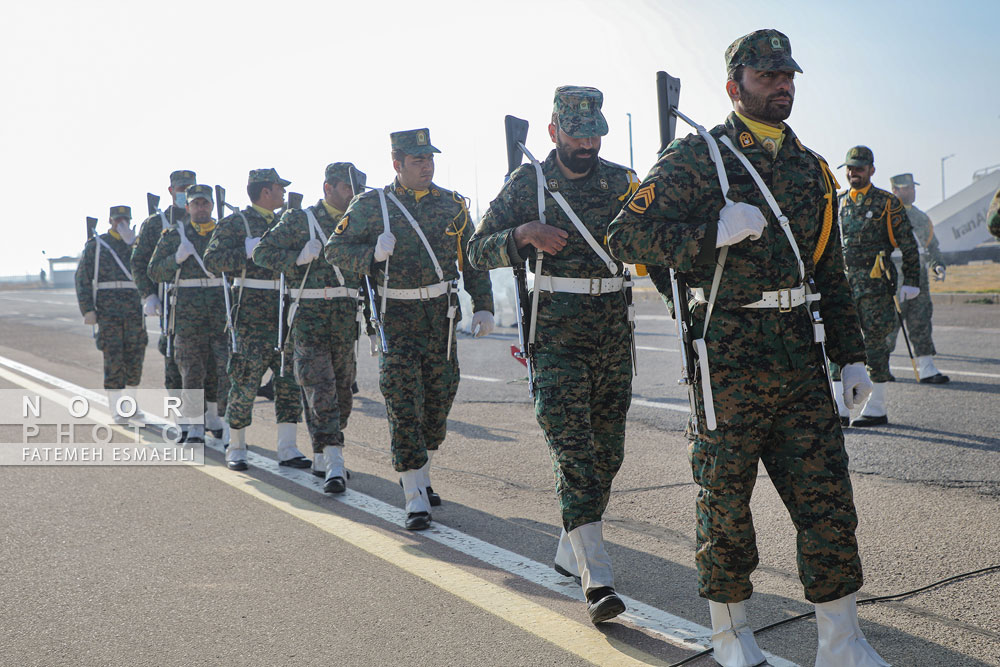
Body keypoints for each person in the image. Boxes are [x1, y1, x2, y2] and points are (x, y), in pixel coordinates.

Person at [607, 29, 889, 667]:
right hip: (725, 357)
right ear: (735, 87)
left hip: (798, 356)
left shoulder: (812, 168)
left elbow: (831, 273)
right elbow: (626, 235)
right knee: (726, 505)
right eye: (767, 77)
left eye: (788, 76)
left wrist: (850, 354)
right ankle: (732, 636)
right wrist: (710, 235)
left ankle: (841, 642)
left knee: (828, 501)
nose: (782, 86)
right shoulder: (697, 157)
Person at [467, 86, 637, 625]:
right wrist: (522, 233)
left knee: (607, 455)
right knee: (575, 454)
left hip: (612, 333)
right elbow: (473, 248)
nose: (588, 142)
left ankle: (572, 548)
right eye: (577, 132)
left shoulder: (621, 181)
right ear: (553, 131)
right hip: (557, 337)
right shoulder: (528, 183)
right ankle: (598, 579)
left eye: (595, 132)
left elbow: (653, 235)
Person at [323, 129, 494, 530]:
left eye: (430, 159)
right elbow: (335, 250)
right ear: (397, 163)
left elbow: (472, 259)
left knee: (438, 402)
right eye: (417, 160)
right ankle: (414, 493)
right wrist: (371, 253)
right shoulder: (371, 206)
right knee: (403, 405)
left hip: (441, 320)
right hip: (395, 319)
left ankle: (423, 470)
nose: (426, 166)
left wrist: (483, 305)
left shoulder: (452, 206)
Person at [253, 162, 363, 493]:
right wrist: (297, 258)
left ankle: (321, 451)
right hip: (310, 318)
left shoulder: (360, 220)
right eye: (347, 187)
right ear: (328, 187)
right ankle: (334, 462)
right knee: (320, 389)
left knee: (343, 393)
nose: (352, 194)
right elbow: (262, 253)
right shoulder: (300, 219)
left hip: (345, 319)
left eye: (356, 188)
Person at [204, 169, 308, 471]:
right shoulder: (237, 223)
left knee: (288, 382)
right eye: (279, 188)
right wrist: (244, 252)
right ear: (265, 191)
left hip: (286, 311)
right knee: (245, 382)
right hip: (250, 314)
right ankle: (236, 447)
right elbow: (212, 262)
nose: (284, 193)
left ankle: (288, 448)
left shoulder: (289, 220)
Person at [131, 170, 225, 440]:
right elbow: (140, 263)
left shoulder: (208, 222)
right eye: (181, 187)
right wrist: (148, 295)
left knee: (210, 360)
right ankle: (183, 418)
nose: (186, 191)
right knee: (177, 362)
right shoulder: (155, 223)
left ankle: (211, 415)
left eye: (190, 187)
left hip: (208, 304)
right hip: (170, 300)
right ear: (171, 191)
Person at [835, 146, 921, 426]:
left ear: (872, 170)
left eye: (859, 168)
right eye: (849, 168)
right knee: (839, 343)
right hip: (844, 287)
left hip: (875, 288)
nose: (853, 173)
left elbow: (909, 245)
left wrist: (912, 281)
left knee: (875, 346)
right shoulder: (839, 202)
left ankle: (877, 407)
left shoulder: (886, 202)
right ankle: (840, 406)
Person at [75, 205, 146, 421]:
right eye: (117, 219)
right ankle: (117, 408)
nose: (121, 222)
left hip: (134, 310)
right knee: (114, 359)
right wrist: (87, 309)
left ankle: (131, 406)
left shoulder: (137, 244)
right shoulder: (97, 245)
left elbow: (147, 272)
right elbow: (82, 278)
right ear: (110, 221)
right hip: (108, 312)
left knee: (135, 359)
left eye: (125, 219)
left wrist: (134, 244)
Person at [887, 173, 948, 384]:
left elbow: (932, 247)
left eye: (913, 187)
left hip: (919, 280)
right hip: (892, 279)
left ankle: (927, 367)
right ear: (895, 190)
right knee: (888, 325)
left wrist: (938, 264)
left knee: (921, 321)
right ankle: (879, 367)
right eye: (906, 188)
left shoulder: (922, 218)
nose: (911, 191)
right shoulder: (885, 215)